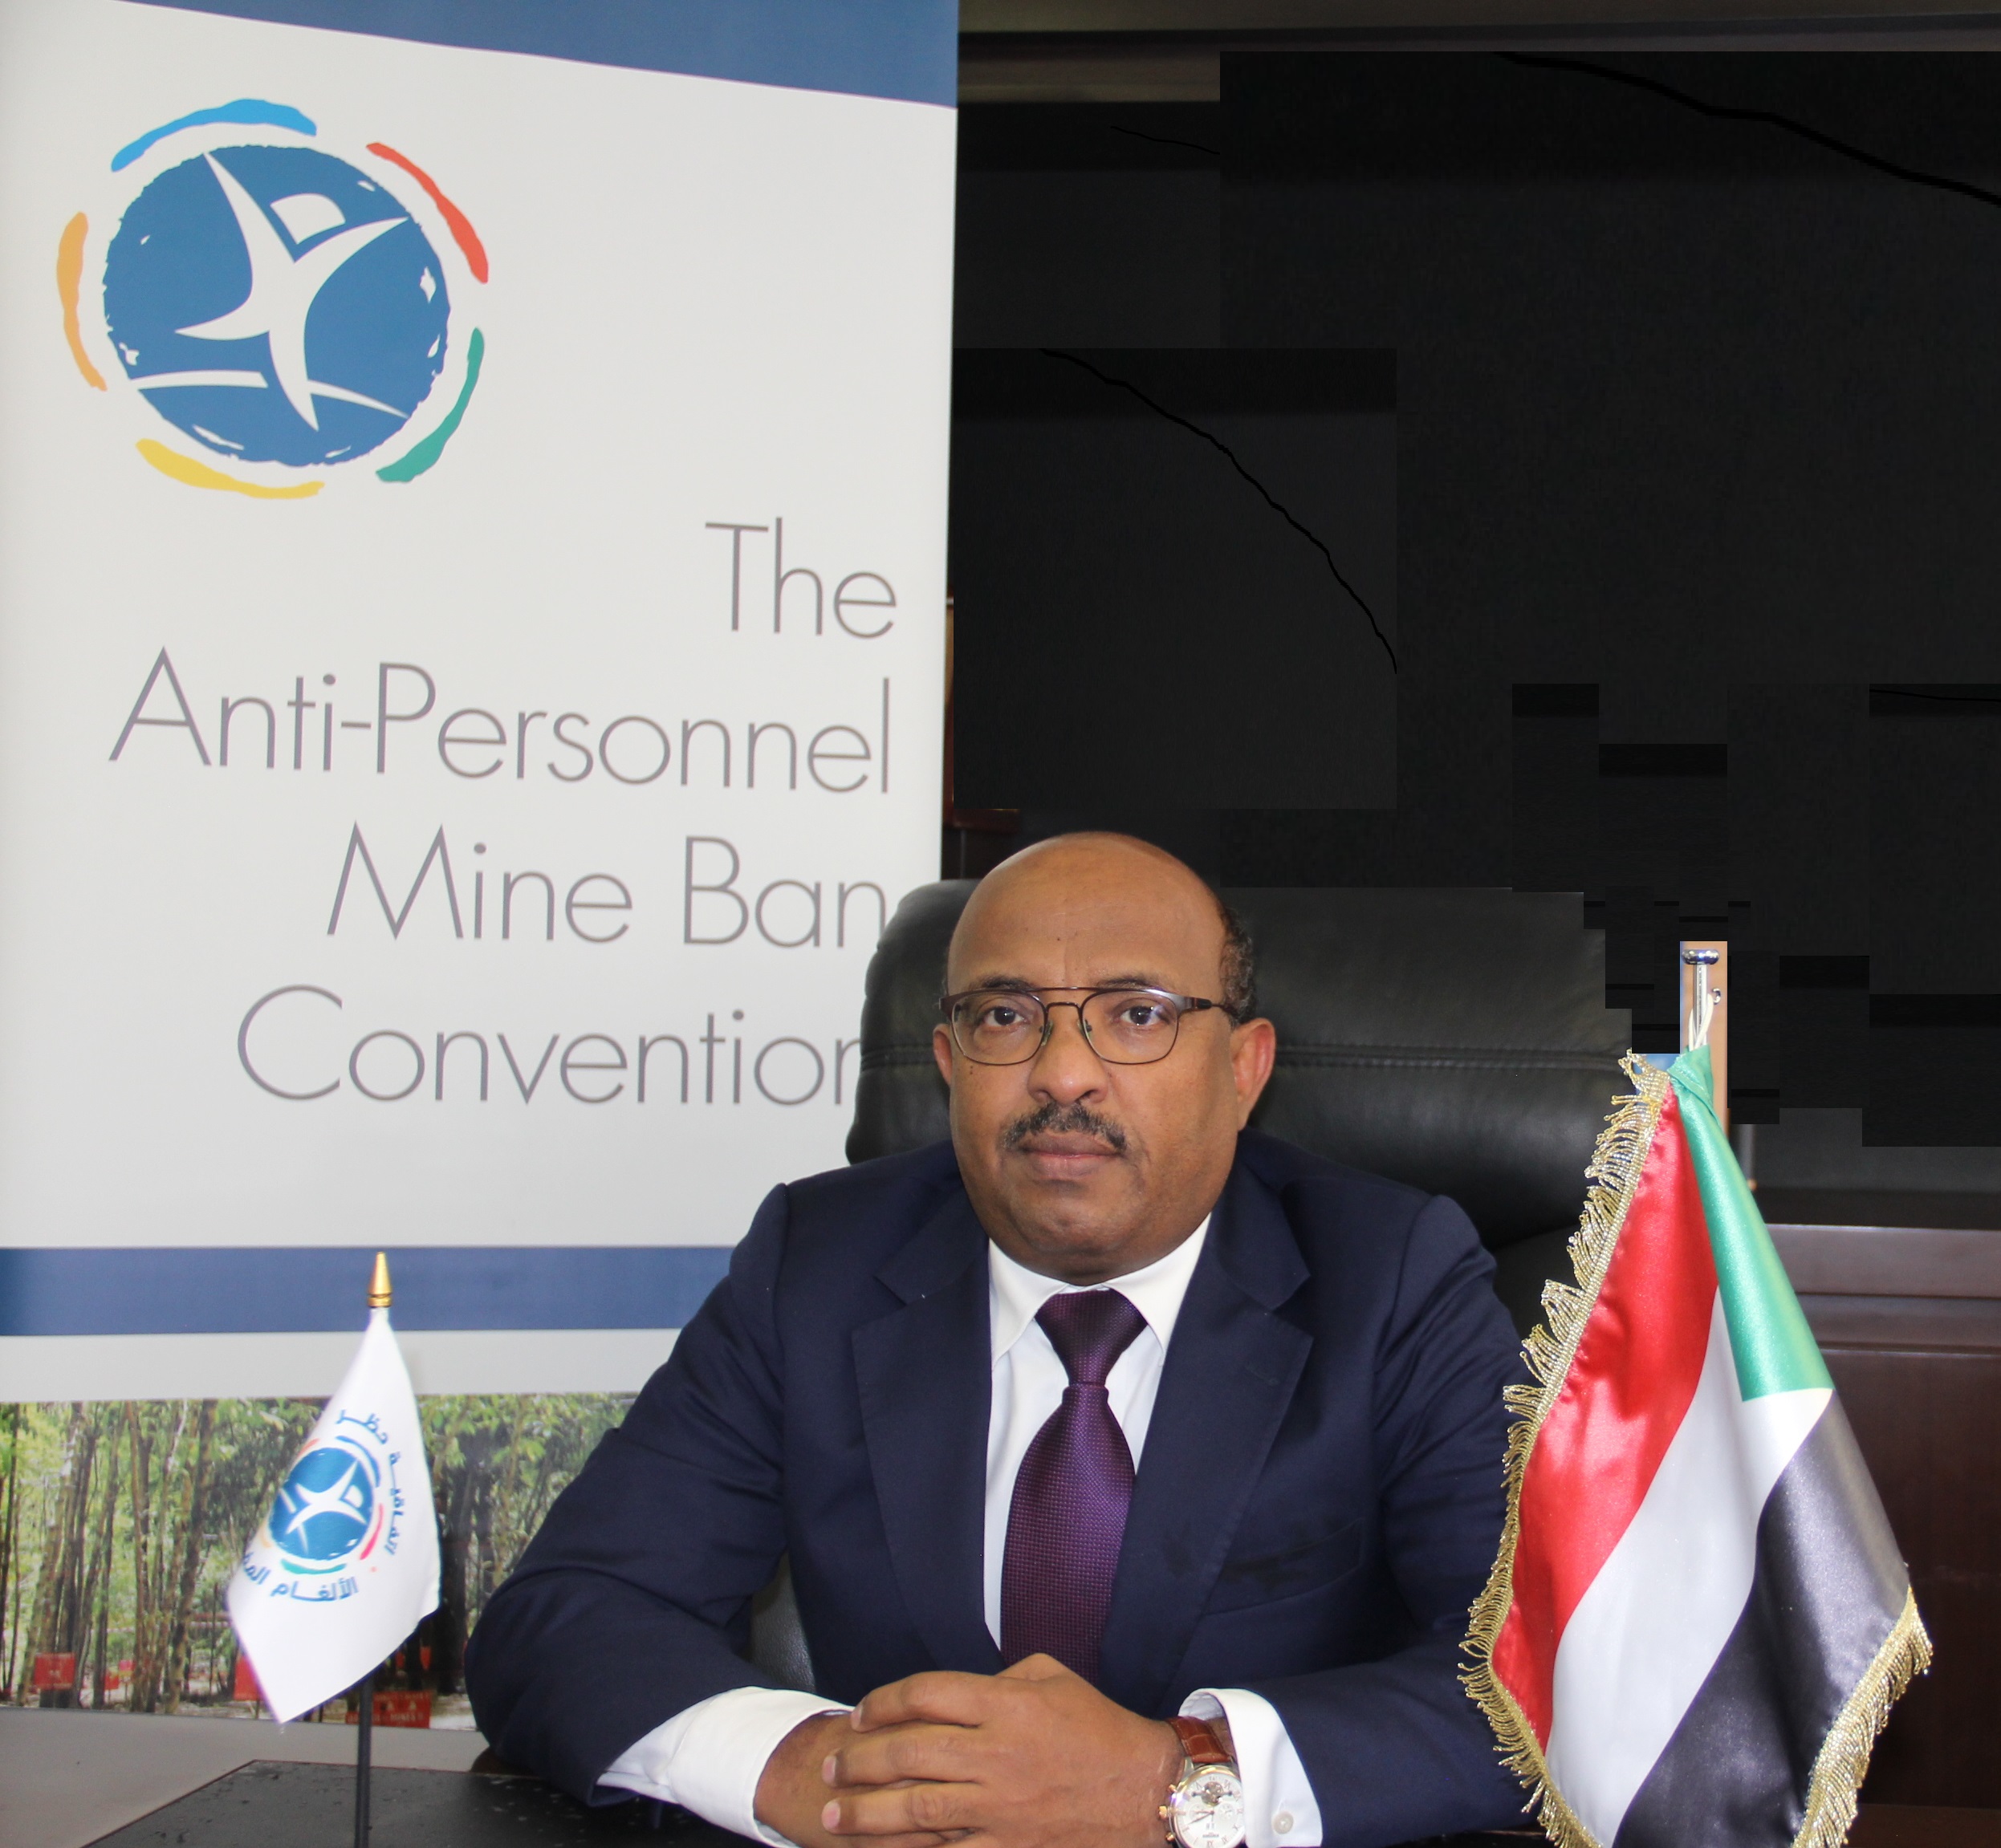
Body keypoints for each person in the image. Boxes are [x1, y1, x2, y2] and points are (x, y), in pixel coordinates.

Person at [467, 833, 1527, 1848]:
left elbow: (1531, 1679)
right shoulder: (818, 1266)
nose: (1063, 1073)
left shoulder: (1391, 1278)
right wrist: (813, 1776)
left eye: (1137, 1014)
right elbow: (566, 1617)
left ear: (1244, 1070)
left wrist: (1179, 1780)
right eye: (1006, 1016)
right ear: (947, 1062)